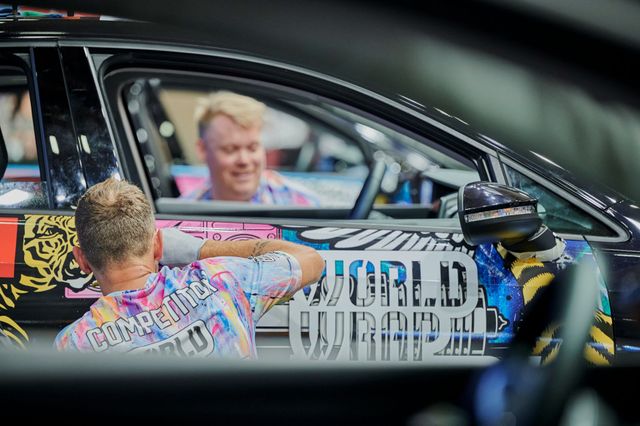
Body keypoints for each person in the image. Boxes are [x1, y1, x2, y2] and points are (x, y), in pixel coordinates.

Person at [54, 177, 324, 357]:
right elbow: (310, 259)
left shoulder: (73, 345)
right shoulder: (222, 280)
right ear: (159, 245)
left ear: (82, 260)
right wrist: (200, 249)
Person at [184, 91, 319, 205]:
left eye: (252, 148)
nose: (244, 160)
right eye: (230, 149)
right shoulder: (181, 216)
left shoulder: (303, 205)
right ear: (202, 150)